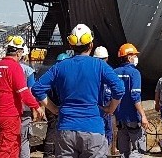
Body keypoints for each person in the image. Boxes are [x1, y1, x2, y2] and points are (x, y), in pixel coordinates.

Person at [32, 24, 124, 158]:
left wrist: (54, 109)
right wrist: (111, 109)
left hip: (66, 128)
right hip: (93, 128)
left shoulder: (60, 66)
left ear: (71, 45)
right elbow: (119, 89)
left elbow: (37, 88)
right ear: (91, 45)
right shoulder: (99, 65)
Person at [0, 35, 44, 158]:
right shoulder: (15, 67)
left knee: (14, 145)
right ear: (19, 52)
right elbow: (24, 92)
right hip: (9, 115)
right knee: (5, 149)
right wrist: (36, 107)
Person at [114, 43, 149, 158]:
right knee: (138, 151)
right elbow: (135, 96)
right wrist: (143, 116)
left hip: (120, 118)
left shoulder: (114, 72)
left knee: (123, 152)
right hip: (132, 117)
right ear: (129, 58)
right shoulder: (134, 73)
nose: (136, 58)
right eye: (134, 55)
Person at [93, 46, 115, 148]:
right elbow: (118, 90)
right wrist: (111, 107)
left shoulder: (91, 71)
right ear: (107, 58)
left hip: (96, 108)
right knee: (106, 132)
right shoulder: (109, 71)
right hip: (104, 108)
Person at [18, 45, 37, 158]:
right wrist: (34, 109)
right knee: (24, 140)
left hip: (8, 110)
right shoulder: (28, 70)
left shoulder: (4, 67)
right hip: (25, 109)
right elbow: (31, 91)